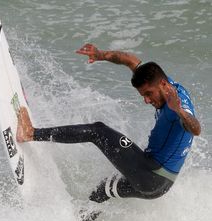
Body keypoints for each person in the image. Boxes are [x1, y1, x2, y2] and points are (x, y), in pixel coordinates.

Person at [17, 43, 201, 207]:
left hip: (152, 175)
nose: (146, 100)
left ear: (162, 84)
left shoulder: (177, 106)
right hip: (162, 185)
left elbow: (195, 129)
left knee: (98, 131)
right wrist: (101, 54)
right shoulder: (167, 85)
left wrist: (179, 111)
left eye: (148, 94)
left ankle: (30, 133)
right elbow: (132, 61)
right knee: (102, 191)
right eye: (143, 95)